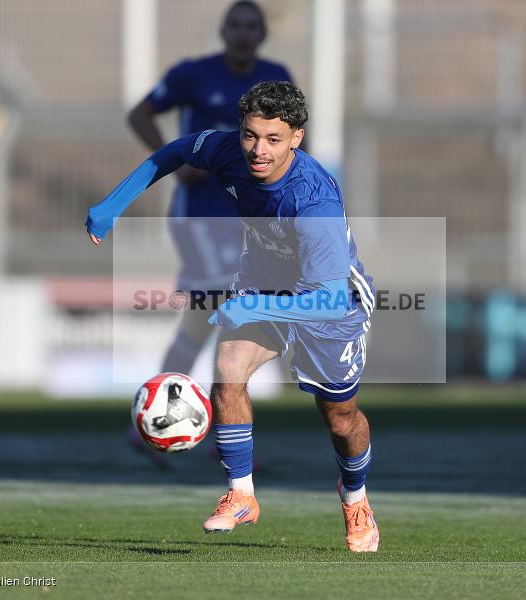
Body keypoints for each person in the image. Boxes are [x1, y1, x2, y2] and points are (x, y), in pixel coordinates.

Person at [87, 82, 379, 552]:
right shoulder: (228, 150)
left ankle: (355, 498)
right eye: (250, 136)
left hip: (330, 300)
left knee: (341, 420)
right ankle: (242, 494)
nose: (258, 151)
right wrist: (113, 206)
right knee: (228, 368)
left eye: (273, 140)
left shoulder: (313, 202)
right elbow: (175, 151)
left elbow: (325, 299)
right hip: (264, 277)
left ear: (297, 138)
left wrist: (253, 305)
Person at [128, 0, 295, 374]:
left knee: (201, 319)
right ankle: (222, 410)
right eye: (235, 25)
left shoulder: (275, 77)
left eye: (251, 26)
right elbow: (140, 114)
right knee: (228, 301)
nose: (242, 33)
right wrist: (172, 160)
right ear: (223, 32)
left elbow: (296, 140)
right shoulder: (194, 74)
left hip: (253, 217)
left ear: (263, 34)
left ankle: (160, 412)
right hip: (201, 213)